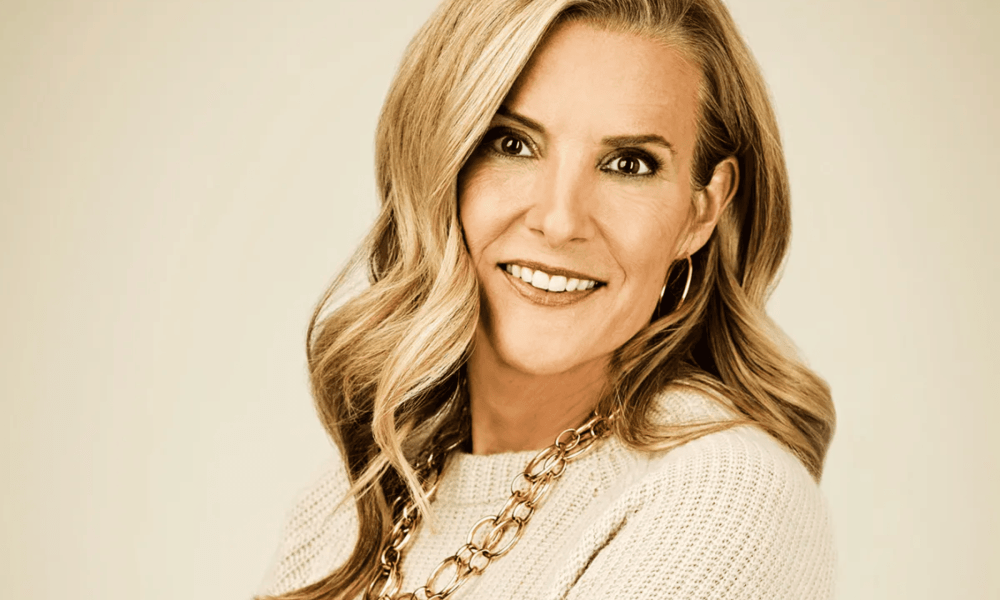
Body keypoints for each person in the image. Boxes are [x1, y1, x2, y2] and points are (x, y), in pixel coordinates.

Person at [258, 0, 836, 598]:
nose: (560, 222)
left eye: (628, 164)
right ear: (437, 165)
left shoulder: (723, 496)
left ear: (700, 212)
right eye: (512, 144)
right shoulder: (355, 498)